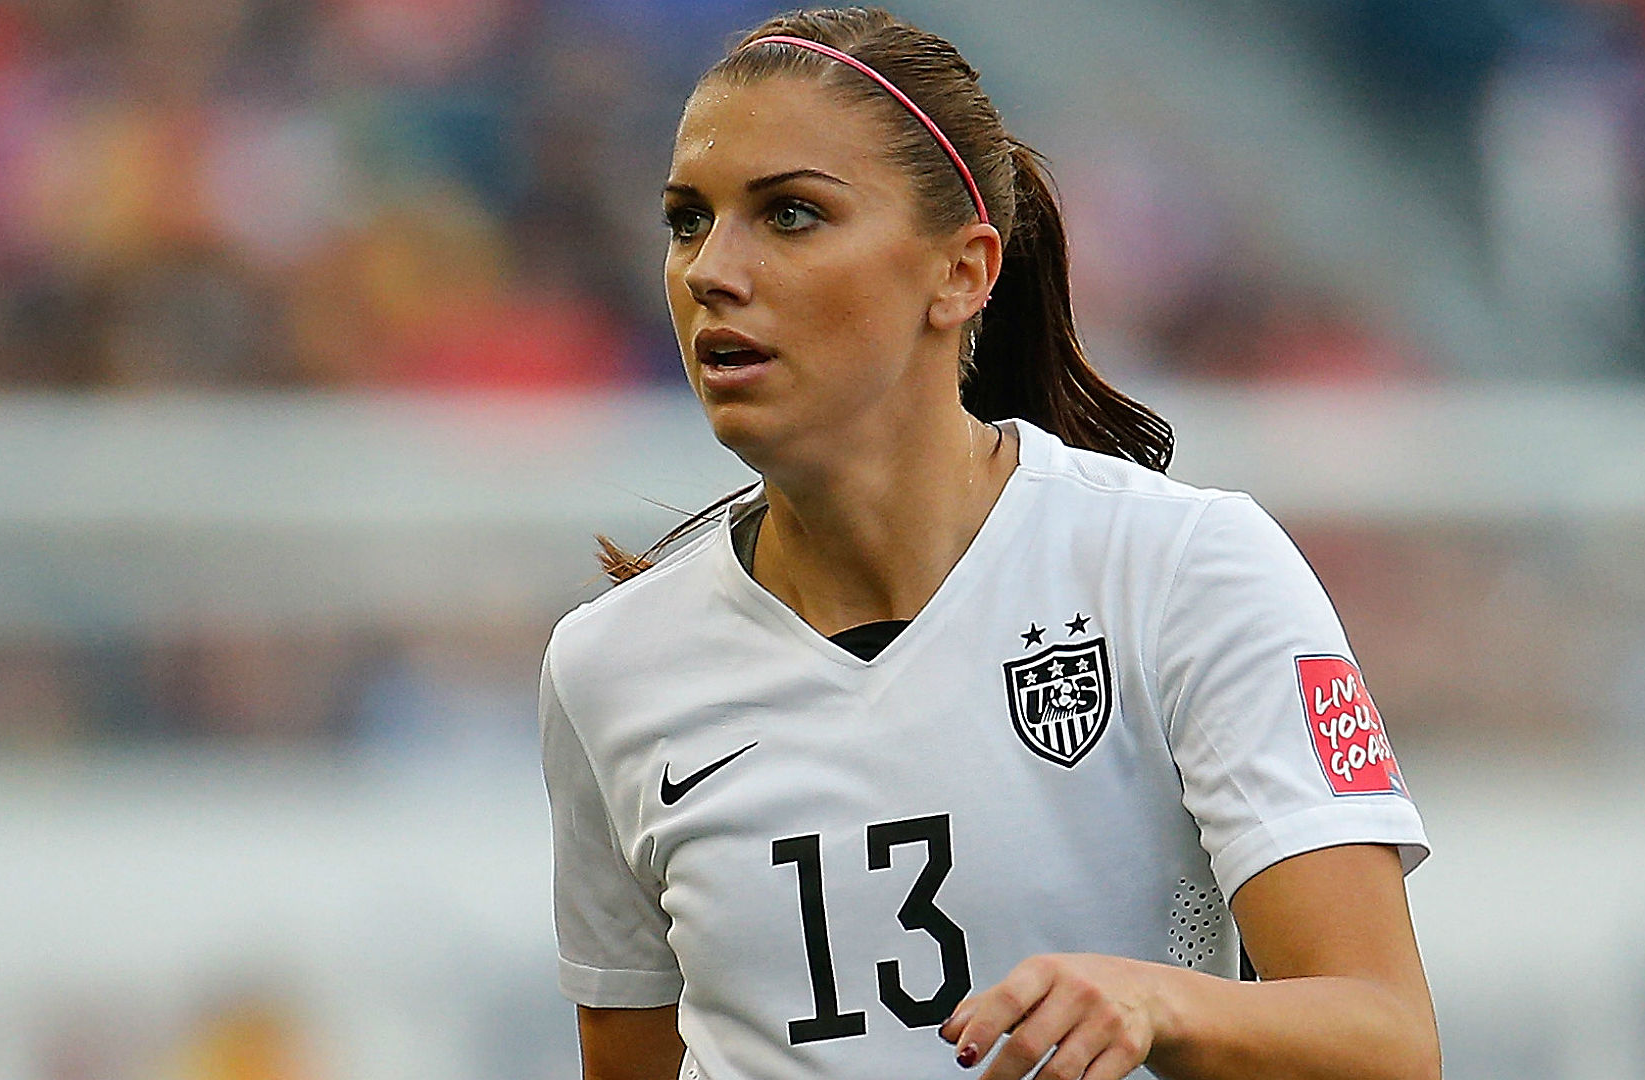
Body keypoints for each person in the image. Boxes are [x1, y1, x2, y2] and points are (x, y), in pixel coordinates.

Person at [539, 8, 1439, 1080]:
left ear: (963, 273)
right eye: (688, 220)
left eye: (789, 215)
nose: (710, 271)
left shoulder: (1180, 569)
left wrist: (1160, 1002)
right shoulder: (610, 669)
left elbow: (1387, 1042)